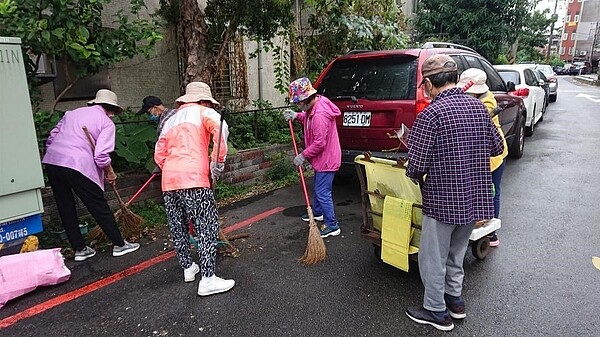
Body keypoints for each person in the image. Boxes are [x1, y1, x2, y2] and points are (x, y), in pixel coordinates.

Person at [404, 55, 504, 331]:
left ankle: (436, 311)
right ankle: (455, 301)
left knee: (432, 258)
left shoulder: (431, 115)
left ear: (427, 83)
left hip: (443, 199)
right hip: (474, 198)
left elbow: (418, 164)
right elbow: (496, 148)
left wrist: (411, 171)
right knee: (456, 253)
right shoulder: (478, 108)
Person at [154, 81, 234, 296]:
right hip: (195, 179)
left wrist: (170, 169)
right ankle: (208, 279)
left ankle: (189, 268)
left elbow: (159, 153)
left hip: (169, 180)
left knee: (178, 226)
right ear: (204, 100)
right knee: (206, 227)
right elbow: (221, 129)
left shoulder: (170, 119)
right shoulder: (203, 112)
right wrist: (216, 163)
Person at [42, 89, 140, 261]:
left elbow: (52, 137)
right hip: (77, 164)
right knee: (97, 204)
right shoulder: (106, 122)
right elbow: (101, 155)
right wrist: (110, 172)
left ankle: (80, 249)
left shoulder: (71, 114)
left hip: (53, 161)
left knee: (65, 206)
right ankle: (120, 245)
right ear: (112, 110)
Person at [283, 77, 342, 238]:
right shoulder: (315, 105)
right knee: (318, 187)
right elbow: (307, 116)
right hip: (323, 159)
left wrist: (302, 155)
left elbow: (319, 143)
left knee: (323, 192)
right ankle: (317, 213)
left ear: (304, 99)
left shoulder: (320, 115)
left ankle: (332, 224)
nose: (297, 105)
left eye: (297, 103)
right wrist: (297, 116)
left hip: (327, 159)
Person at [457, 68, 509, 247]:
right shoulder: (470, 99)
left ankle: (491, 233)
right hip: (477, 156)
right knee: (478, 192)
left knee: (492, 192)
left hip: (492, 157)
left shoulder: (486, 102)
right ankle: (473, 225)